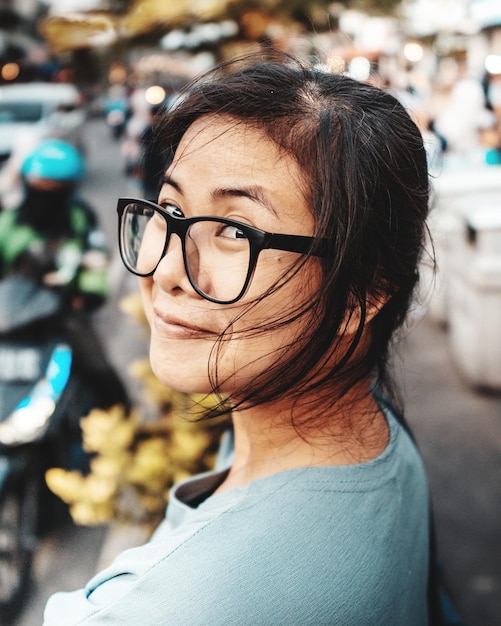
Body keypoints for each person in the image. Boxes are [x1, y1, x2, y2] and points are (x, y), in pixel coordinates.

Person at [44, 52, 432, 624]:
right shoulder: (378, 445)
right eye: (169, 209)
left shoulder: (180, 605)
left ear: (361, 294)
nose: (167, 269)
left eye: (234, 230)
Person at [0, 139, 128, 410]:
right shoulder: (10, 222)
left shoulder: (80, 220)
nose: (45, 197)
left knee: (98, 370)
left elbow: (96, 260)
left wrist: (88, 292)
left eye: (55, 191)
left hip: (65, 312)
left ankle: (121, 422)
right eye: (39, 188)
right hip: (12, 313)